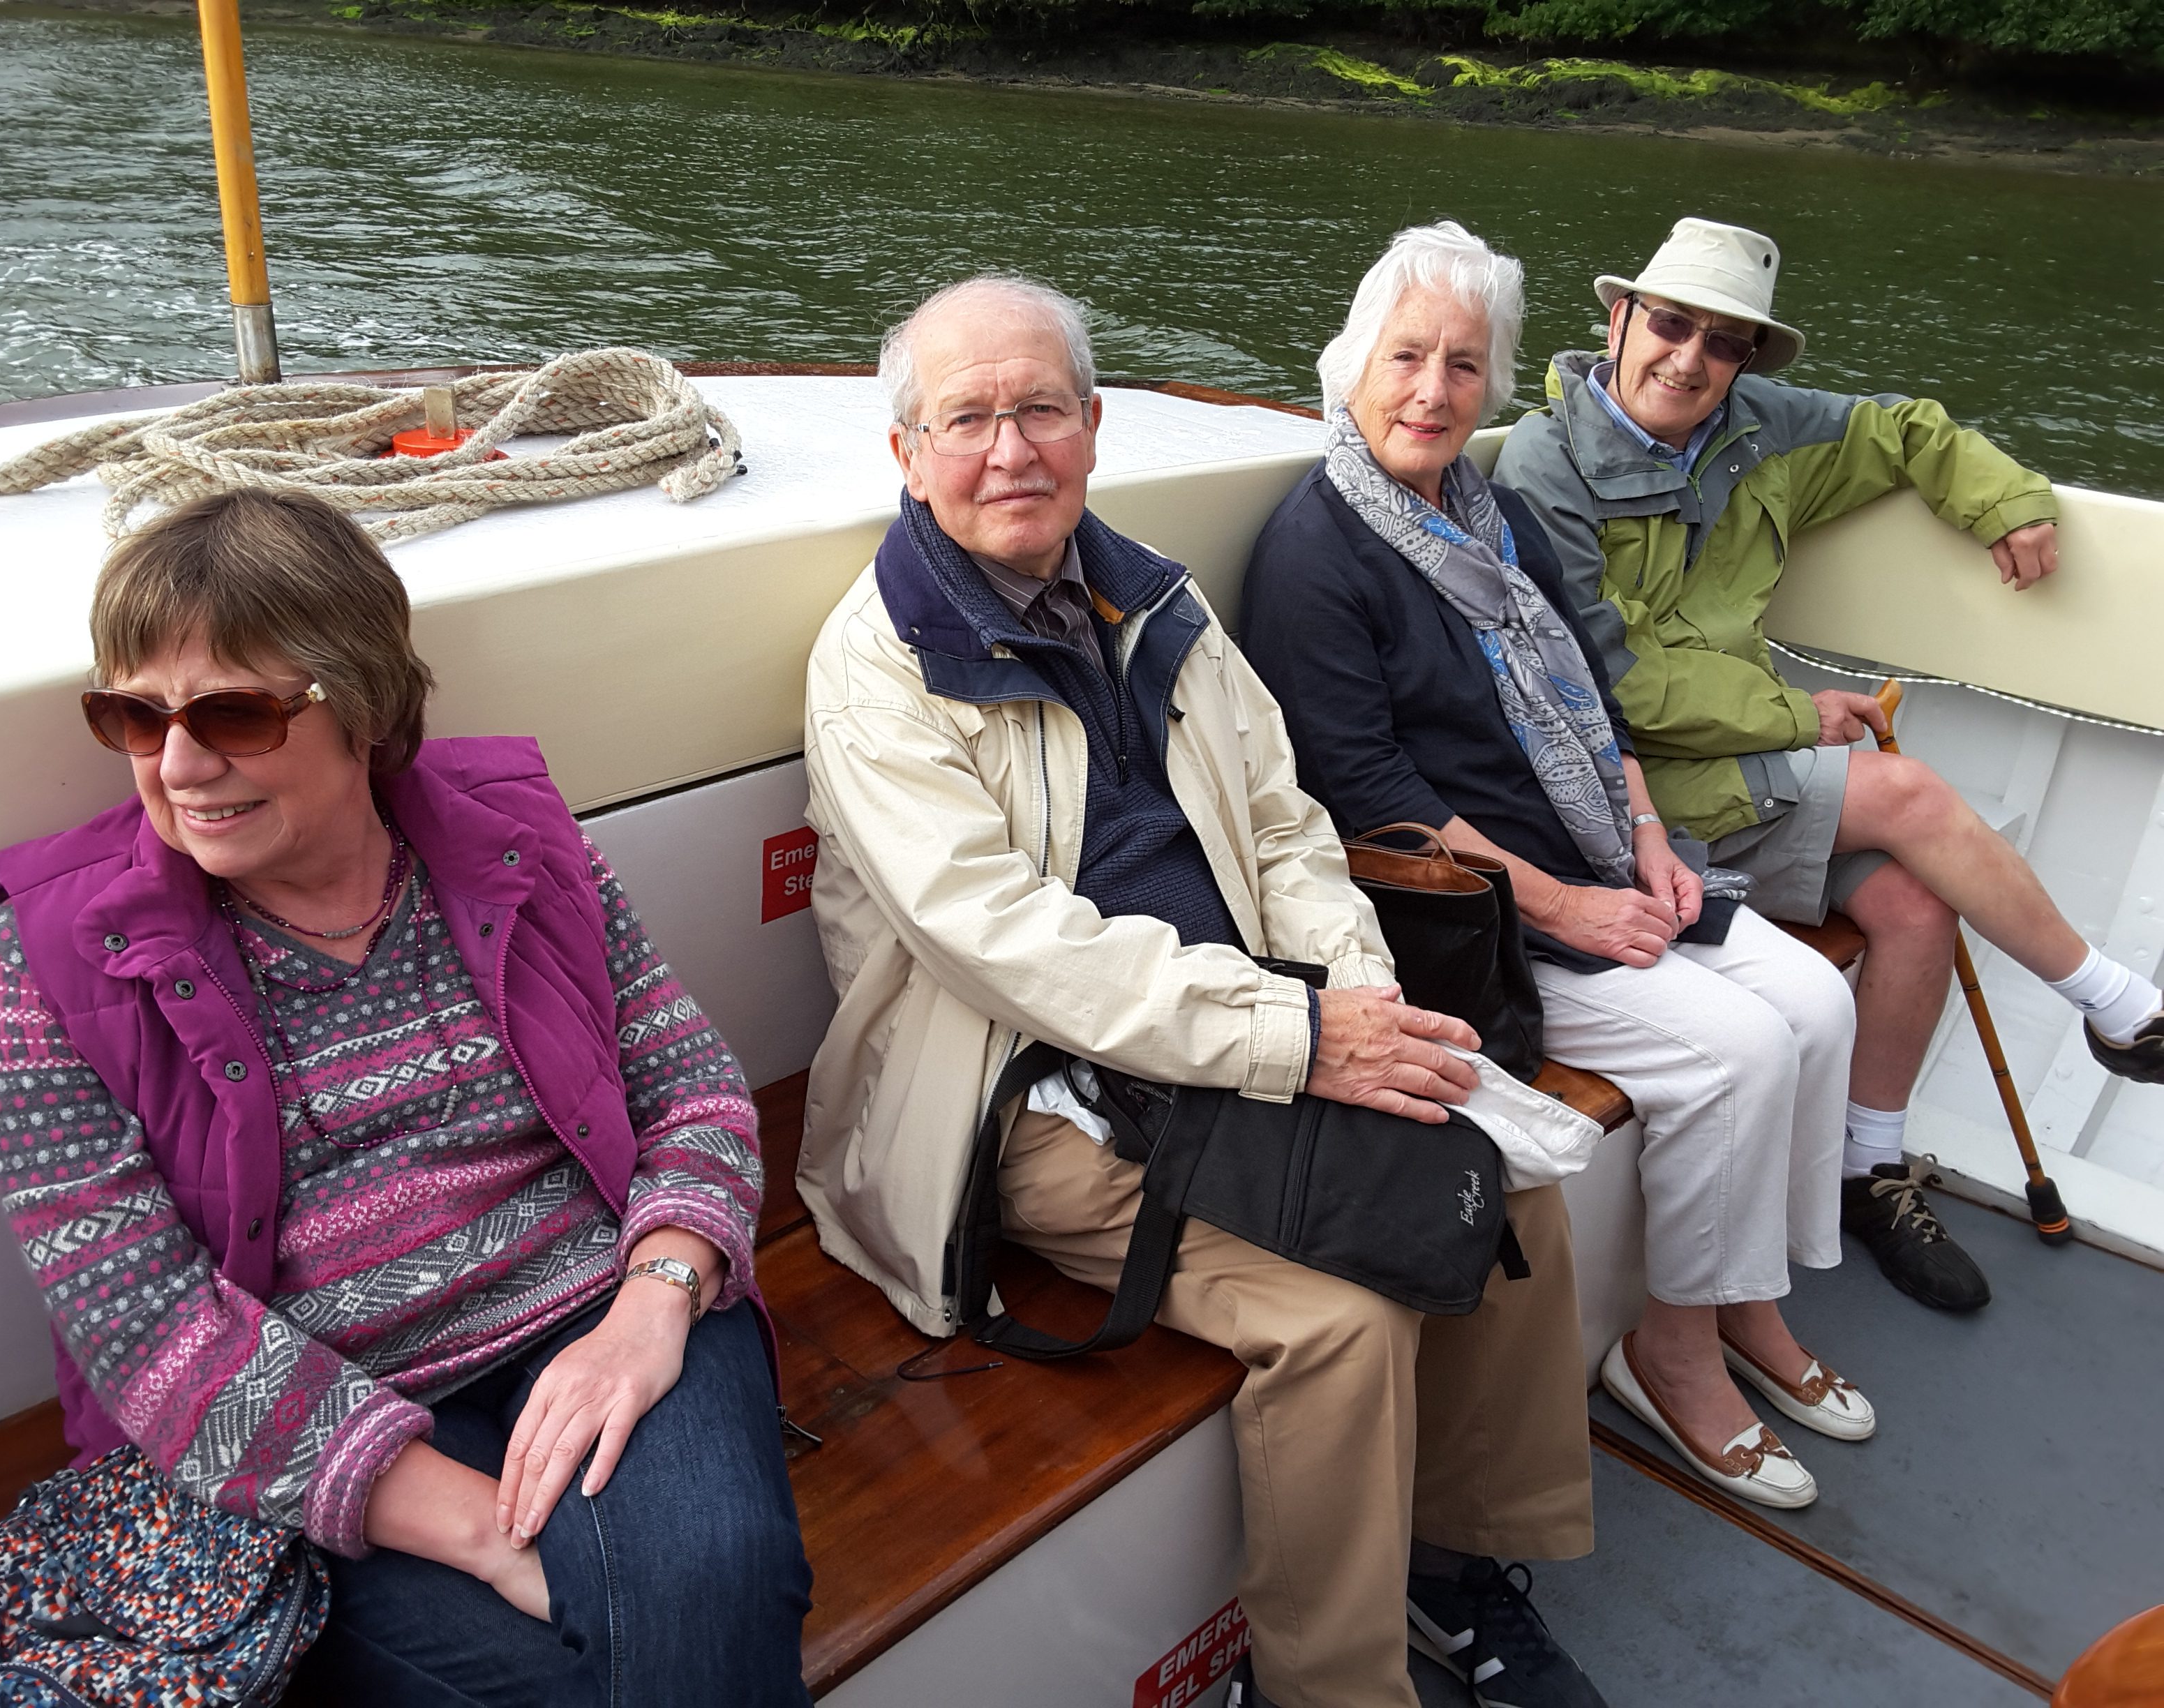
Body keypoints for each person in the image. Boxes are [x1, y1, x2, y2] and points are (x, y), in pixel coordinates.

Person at [798, 273, 1606, 1708]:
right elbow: (1006, 946)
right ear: (907, 454)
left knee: (1506, 1189)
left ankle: (1458, 1566)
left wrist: (1366, 1002)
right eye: (968, 418)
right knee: (1340, 1324)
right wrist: (1297, 1034)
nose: (1011, 450)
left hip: (1243, 1036)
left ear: (1091, 425)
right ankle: (1332, 1686)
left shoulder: (1154, 599)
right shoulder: (879, 667)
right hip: (1018, 1094)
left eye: (1040, 408)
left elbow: (1290, 828)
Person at [0, 490, 812, 1707]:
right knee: (597, 1668)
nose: (180, 765)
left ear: (360, 703)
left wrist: (654, 1305)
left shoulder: (517, 844)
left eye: (235, 714)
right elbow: (139, 1323)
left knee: (717, 1579)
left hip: (600, 1321)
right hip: (310, 1417)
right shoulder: (44, 961)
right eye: (134, 718)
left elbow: (692, 1085)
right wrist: (483, 1526)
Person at [1240, 220, 1870, 1515]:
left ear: (1497, 383)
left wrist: (1644, 840)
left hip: (1596, 863)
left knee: (1819, 1000)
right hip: (1467, 923)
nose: (1433, 391)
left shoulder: (1498, 511)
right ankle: (1671, 1355)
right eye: (1407, 356)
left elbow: (1589, 690)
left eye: (1466, 366)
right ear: (1349, 365)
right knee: (1738, 1050)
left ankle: (1745, 1302)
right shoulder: (1315, 555)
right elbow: (1372, 803)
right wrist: (1568, 900)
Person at [1493, 216, 2164, 1314]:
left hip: (1740, 763)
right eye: (1670, 324)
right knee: (1903, 794)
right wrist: (1797, 715)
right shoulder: (1543, 465)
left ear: (1748, 363)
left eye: (1726, 344)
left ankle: (1872, 1167)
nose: (1691, 359)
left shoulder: (1754, 427)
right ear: (1617, 319)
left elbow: (1900, 430)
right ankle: (2118, 1002)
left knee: (1911, 900)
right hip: (1636, 794)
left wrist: (2006, 498)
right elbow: (1610, 685)